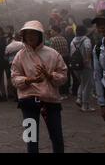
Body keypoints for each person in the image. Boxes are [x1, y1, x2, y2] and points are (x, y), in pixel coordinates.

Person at [11, 20, 67, 153]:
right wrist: (29, 80)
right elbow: (14, 78)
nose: (30, 36)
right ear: (23, 36)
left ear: (40, 35)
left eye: (34, 33)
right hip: (28, 101)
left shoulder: (53, 54)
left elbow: (63, 76)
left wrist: (49, 75)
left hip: (50, 101)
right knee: (31, 139)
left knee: (57, 137)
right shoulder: (20, 55)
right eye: (27, 33)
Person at [70, 26, 95, 112]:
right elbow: (88, 48)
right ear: (85, 31)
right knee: (88, 85)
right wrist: (87, 59)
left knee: (82, 83)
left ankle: (79, 98)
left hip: (75, 66)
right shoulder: (86, 40)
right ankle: (85, 106)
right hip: (85, 66)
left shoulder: (73, 40)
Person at [91, 10, 105, 121]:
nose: (102, 28)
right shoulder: (98, 48)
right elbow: (98, 75)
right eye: (99, 26)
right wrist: (102, 104)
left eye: (104, 24)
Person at [49, 25, 70, 100]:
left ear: (56, 31)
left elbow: (51, 52)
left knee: (57, 76)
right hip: (65, 58)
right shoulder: (64, 38)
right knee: (65, 75)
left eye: (51, 30)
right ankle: (66, 92)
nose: (51, 32)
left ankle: (60, 93)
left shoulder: (52, 40)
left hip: (57, 60)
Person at [5, 33, 25, 101]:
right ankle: (21, 94)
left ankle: (15, 95)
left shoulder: (8, 46)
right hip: (21, 63)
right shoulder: (22, 44)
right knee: (21, 77)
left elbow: (6, 56)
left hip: (12, 64)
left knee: (14, 78)